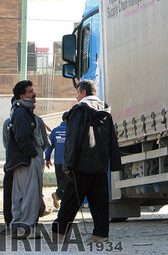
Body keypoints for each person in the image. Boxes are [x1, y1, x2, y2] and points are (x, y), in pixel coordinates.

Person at [52, 79, 120, 243]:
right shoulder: (105, 111)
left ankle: (59, 232)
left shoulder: (78, 110)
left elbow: (72, 139)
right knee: (99, 202)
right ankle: (100, 234)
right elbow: (112, 139)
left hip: (80, 164)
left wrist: (68, 164)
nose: (76, 97)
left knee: (70, 200)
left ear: (83, 92)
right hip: (100, 165)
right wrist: (114, 163)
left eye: (77, 93)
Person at [3, 80, 48, 238]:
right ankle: (25, 228)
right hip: (27, 159)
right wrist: (33, 154)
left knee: (20, 195)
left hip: (22, 160)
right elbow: (23, 137)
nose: (34, 94)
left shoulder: (19, 112)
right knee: (30, 195)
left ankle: (17, 226)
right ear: (22, 96)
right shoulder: (22, 113)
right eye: (30, 92)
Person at [45, 112, 69, 209]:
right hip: (68, 162)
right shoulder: (71, 130)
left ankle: (61, 200)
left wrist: (47, 159)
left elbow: (49, 146)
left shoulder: (55, 131)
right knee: (68, 182)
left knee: (60, 181)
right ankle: (58, 195)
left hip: (58, 162)